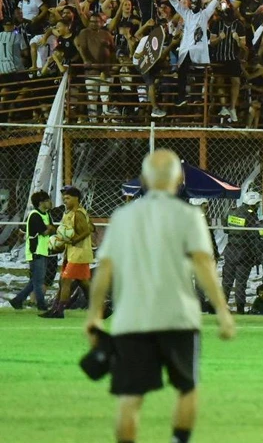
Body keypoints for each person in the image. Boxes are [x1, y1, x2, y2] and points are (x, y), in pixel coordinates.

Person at [84, 149, 236, 443]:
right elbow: (204, 264)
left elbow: (104, 268)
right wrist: (222, 311)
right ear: (179, 180)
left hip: (132, 319)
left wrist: (93, 316)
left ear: (143, 179)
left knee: (130, 397)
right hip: (178, 317)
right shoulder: (189, 215)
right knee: (187, 388)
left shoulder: (123, 216)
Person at [41, 185, 94, 319]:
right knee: (82, 283)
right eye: (64, 198)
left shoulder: (78, 213)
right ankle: (102, 307)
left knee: (65, 280)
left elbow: (87, 230)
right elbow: (90, 227)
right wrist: (60, 241)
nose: (65, 200)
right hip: (71, 253)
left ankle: (58, 311)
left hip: (79, 253)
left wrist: (72, 240)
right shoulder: (68, 213)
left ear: (76, 198)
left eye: (68, 198)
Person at [9, 190, 57, 311]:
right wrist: (49, 228)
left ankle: (17, 300)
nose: (50, 203)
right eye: (47, 200)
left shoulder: (47, 214)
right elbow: (45, 231)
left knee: (35, 280)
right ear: (41, 203)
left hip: (44, 251)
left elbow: (52, 229)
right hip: (36, 252)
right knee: (39, 281)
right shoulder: (34, 215)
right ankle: (42, 305)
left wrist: (49, 228)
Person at [221, 191, 260, 315]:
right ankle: (240, 310)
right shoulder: (251, 215)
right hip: (245, 252)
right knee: (241, 284)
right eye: (257, 204)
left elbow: (225, 228)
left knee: (226, 282)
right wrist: (256, 256)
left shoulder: (232, 211)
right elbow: (254, 237)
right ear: (253, 204)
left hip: (230, 250)